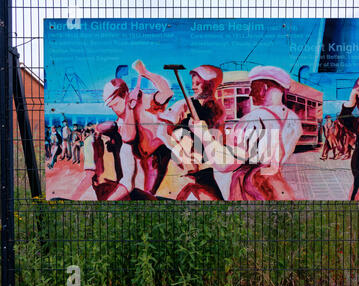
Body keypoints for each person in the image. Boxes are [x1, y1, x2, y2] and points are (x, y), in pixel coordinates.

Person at [188, 65, 302, 200]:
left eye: (253, 88)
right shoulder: (293, 120)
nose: (250, 94)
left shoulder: (253, 120)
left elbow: (225, 164)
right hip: (274, 186)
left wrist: (203, 134)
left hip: (249, 192)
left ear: (264, 88)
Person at [101, 60, 173, 200]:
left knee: (148, 194)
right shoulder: (122, 122)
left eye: (115, 104)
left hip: (157, 154)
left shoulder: (145, 101)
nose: (115, 110)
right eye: (111, 107)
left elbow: (166, 92)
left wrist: (145, 73)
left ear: (125, 95)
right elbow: (129, 137)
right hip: (143, 156)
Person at [157, 65, 225, 200]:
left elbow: (217, 140)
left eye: (198, 84)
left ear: (210, 85)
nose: (193, 87)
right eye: (193, 83)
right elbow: (163, 130)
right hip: (182, 170)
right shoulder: (184, 105)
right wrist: (177, 150)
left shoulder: (219, 110)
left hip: (205, 170)